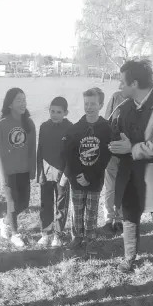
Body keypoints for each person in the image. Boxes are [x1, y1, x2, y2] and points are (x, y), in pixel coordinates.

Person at [109, 60, 153, 273]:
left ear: (134, 83)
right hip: (129, 176)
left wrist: (132, 148)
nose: (119, 87)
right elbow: (119, 136)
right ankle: (129, 259)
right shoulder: (125, 107)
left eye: (121, 82)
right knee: (129, 218)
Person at [60, 88, 112, 255]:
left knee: (91, 208)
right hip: (76, 178)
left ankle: (90, 237)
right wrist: (77, 175)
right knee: (77, 208)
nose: (89, 107)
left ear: (101, 104)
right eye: (86, 103)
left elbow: (105, 155)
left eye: (93, 104)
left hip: (95, 178)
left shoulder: (106, 128)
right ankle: (77, 236)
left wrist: (89, 175)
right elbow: (69, 155)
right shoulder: (76, 129)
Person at [0, 88, 36, 247]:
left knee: (23, 204)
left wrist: (32, 168)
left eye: (24, 99)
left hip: (23, 170)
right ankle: (15, 234)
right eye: (18, 100)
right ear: (9, 104)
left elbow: (32, 147)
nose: (22, 103)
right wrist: (2, 174)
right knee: (12, 203)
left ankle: (4, 222)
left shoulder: (28, 123)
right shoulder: (2, 124)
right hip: (8, 172)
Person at [36, 97, 72, 246]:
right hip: (46, 174)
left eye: (59, 112)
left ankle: (58, 234)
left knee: (61, 205)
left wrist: (66, 174)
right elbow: (40, 151)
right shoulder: (44, 127)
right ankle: (46, 232)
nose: (55, 114)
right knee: (46, 204)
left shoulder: (70, 128)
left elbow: (72, 154)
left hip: (62, 176)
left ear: (66, 112)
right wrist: (40, 173)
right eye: (52, 111)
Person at [99, 90, 127, 236]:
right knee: (110, 187)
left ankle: (120, 219)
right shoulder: (116, 97)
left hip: (129, 154)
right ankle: (109, 220)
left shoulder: (139, 100)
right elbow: (106, 121)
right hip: (112, 151)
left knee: (123, 187)